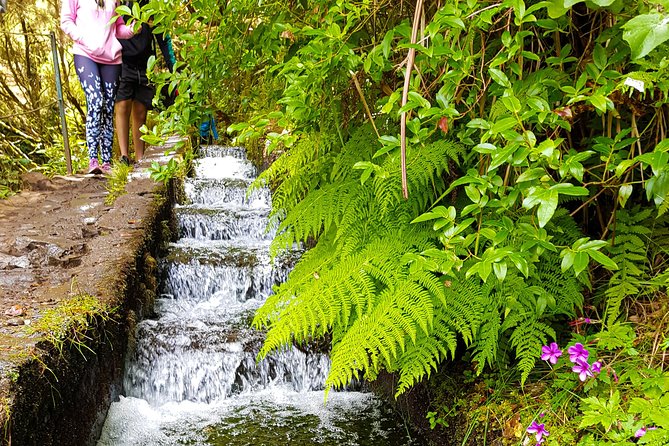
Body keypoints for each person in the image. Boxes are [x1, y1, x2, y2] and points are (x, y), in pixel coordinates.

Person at [61, 0, 135, 175]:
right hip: (85, 53)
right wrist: (84, 38)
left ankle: (107, 161)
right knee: (95, 100)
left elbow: (118, 28)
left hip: (112, 58)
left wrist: (132, 30)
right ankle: (93, 159)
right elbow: (66, 21)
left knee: (108, 106)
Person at [115, 5, 176, 165]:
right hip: (121, 60)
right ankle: (124, 155)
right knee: (122, 105)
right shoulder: (117, 5)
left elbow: (163, 38)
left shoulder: (150, 6)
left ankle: (140, 157)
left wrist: (173, 67)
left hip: (145, 63)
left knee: (141, 110)